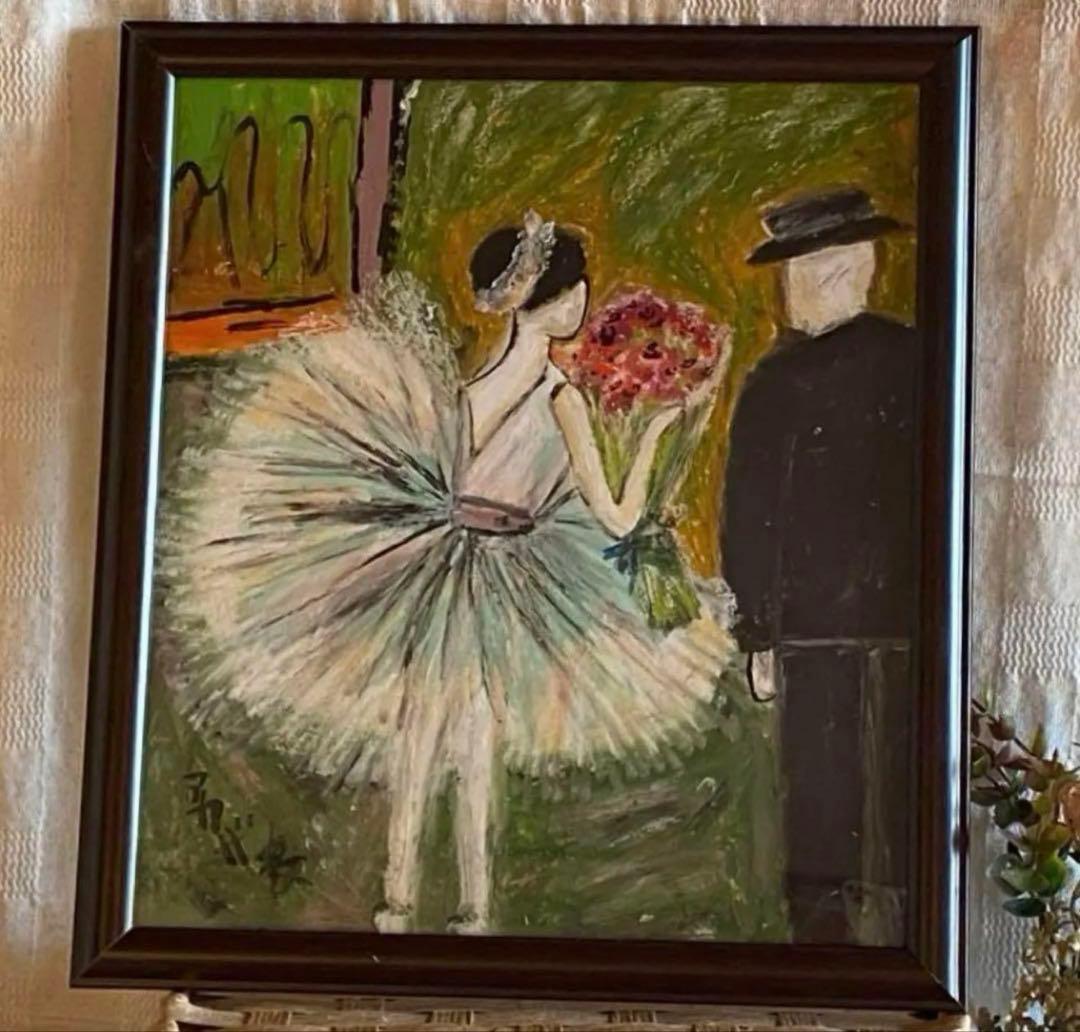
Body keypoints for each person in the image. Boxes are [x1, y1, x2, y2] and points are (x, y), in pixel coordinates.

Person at [158, 211, 742, 937]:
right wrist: (658, 430)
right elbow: (620, 519)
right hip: (496, 578)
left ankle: (399, 901)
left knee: (422, 733)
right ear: (552, 300)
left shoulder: (469, 389)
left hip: (444, 565)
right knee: (472, 745)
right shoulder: (562, 398)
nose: (585, 300)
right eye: (577, 289)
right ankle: (469, 908)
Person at [722, 186, 917, 944]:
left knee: (824, 808)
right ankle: (892, 942)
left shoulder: (775, 382)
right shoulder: (916, 358)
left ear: (840, 269)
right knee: (892, 801)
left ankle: (830, 949)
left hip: (818, 631)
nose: (791, 290)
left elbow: (750, 521)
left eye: (800, 272)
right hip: (897, 623)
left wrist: (757, 635)